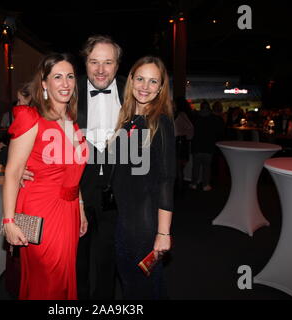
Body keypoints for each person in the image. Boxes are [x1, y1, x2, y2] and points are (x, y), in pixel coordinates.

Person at [2, 53, 88, 300]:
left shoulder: (70, 119)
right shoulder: (31, 117)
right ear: (44, 83)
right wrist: (9, 221)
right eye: (57, 77)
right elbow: (13, 171)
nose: (65, 83)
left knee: (63, 277)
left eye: (70, 76)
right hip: (43, 208)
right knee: (49, 281)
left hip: (69, 209)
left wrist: (80, 207)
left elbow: (74, 170)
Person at [110, 56, 175, 299]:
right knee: (131, 287)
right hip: (123, 222)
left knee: (143, 291)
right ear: (131, 81)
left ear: (160, 87)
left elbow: (167, 180)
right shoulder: (126, 121)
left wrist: (163, 233)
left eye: (152, 81)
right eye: (140, 78)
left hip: (145, 227)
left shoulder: (161, 123)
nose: (145, 86)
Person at [75, 35, 126, 300]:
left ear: (117, 65)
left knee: (108, 257)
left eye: (108, 62)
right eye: (94, 62)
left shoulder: (133, 92)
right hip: (77, 190)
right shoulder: (69, 90)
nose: (101, 70)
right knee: (77, 258)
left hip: (117, 188)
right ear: (85, 62)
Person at [189, 101, 225, 191]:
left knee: (196, 166)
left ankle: (194, 183)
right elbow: (220, 132)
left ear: (201, 107)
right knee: (207, 167)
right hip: (209, 146)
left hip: (196, 146)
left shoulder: (194, 118)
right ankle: (205, 185)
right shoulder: (214, 118)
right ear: (209, 107)